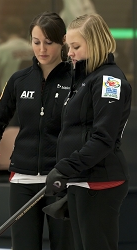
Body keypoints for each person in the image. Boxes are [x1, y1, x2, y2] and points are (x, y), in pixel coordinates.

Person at [0, 11, 75, 250]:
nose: (41, 49)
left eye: (49, 42)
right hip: (22, 179)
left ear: (63, 41)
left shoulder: (77, 79)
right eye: (36, 42)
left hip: (61, 180)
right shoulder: (19, 80)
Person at [45, 13, 132, 250]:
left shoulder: (109, 81)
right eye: (68, 47)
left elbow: (103, 138)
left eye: (76, 46)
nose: (70, 53)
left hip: (99, 180)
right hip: (80, 179)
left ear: (94, 44)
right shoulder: (84, 79)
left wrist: (64, 168)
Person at [0, 17, 33, 93]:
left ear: (4, 32)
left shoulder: (1, 50)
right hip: (34, 97)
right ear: (22, 31)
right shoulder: (34, 49)